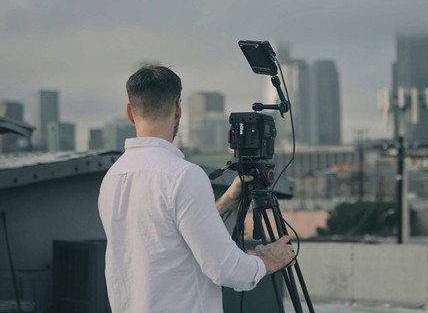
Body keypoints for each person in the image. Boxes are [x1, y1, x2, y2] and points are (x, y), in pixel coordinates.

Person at [98, 65, 294, 313]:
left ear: (129, 112)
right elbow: (226, 269)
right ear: (178, 108)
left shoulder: (113, 177)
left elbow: (168, 232)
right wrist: (270, 261)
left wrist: (225, 203)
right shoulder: (183, 176)